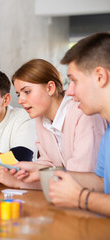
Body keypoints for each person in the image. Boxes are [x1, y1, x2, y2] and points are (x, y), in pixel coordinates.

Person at [0, 58, 106, 189]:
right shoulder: (40, 118)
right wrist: (28, 170)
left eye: (27, 92)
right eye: (18, 94)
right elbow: (48, 164)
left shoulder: (84, 113)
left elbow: (81, 176)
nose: (20, 100)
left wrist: (20, 183)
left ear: (50, 88)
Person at [45, 32, 110, 216]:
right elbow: (101, 181)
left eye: (73, 80)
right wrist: (46, 175)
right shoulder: (108, 132)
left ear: (100, 77)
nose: (69, 92)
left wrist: (80, 198)